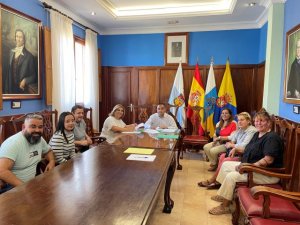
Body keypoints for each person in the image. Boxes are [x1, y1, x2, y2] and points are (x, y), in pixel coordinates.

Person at [208, 109, 283, 215]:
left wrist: (249, 167)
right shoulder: (257, 134)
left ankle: (225, 206)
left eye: (262, 121)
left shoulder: (272, 138)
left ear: (268, 122)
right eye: (256, 121)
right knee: (225, 165)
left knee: (231, 176)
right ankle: (224, 195)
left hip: (265, 173)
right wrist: (236, 150)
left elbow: (268, 160)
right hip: (250, 167)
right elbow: (247, 148)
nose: (258, 123)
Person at [198, 112, 256, 189]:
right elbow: (232, 137)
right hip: (237, 151)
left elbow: (244, 146)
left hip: (244, 155)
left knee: (225, 160)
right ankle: (218, 181)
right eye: (238, 120)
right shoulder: (241, 129)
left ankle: (213, 180)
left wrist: (232, 145)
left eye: (242, 120)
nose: (239, 122)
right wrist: (224, 140)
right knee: (222, 156)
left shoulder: (251, 130)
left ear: (249, 121)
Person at [0, 114, 55, 193]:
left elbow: (48, 151)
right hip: (13, 187)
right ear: (23, 127)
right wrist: (25, 188)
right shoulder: (13, 143)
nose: (37, 130)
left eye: (40, 127)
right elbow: (2, 170)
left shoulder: (38, 138)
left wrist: (52, 161)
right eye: (33, 126)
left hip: (33, 182)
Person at [3, 29, 37, 94]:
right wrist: (6, 91)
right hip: (10, 89)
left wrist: (25, 80)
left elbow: (34, 76)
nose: (18, 39)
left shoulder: (29, 56)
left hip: (22, 90)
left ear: (24, 39)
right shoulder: (11, 52)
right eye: (17, 36)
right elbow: (8, 73)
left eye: (20, 37)